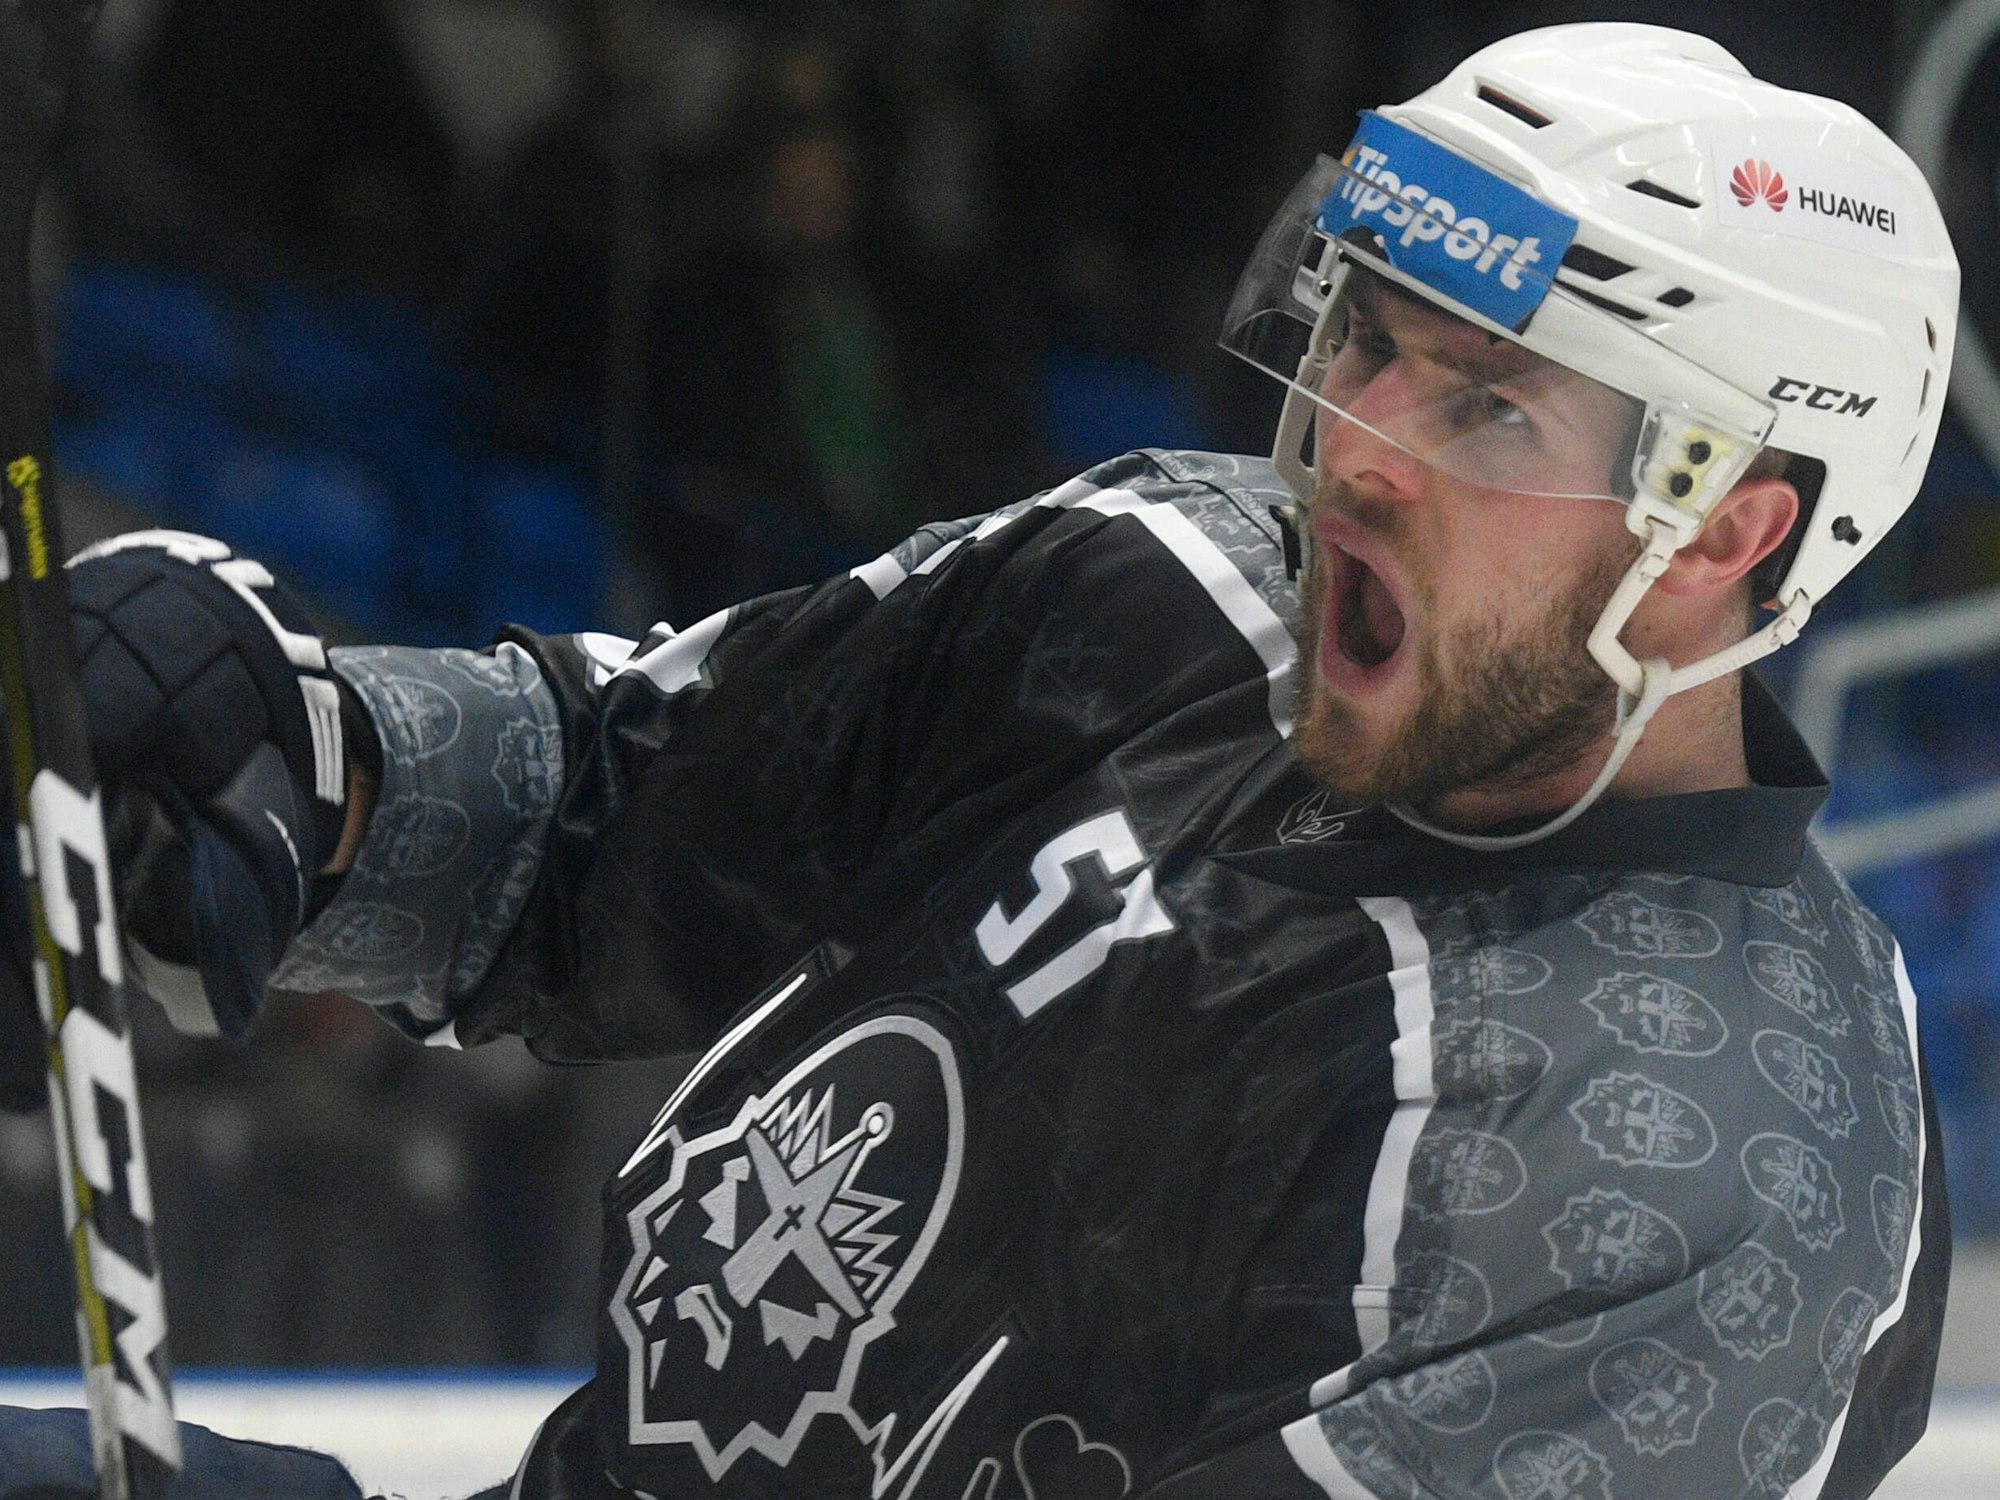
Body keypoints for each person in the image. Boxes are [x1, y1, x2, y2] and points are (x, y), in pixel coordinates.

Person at [0, 21, 1957, 1500]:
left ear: (1720, 538)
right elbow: (620, 812)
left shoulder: (1710, 1178)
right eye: (1360, 337)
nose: (1354, 445)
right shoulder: (1180, 592)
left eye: (1484, 406)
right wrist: (292, 761)